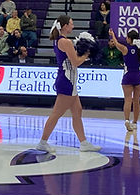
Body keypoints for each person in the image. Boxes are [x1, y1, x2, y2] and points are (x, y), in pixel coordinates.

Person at [34, 16, 102, 153]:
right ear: (64, 26)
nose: (73, 26)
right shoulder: (65, 42)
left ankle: (83, 143)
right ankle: (42, 142)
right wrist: (87, 54)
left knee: (77, 111)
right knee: (57, 113)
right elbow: (75, 62)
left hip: (67, 80)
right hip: (67, 81)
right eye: (71, 24)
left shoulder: (60, 40)